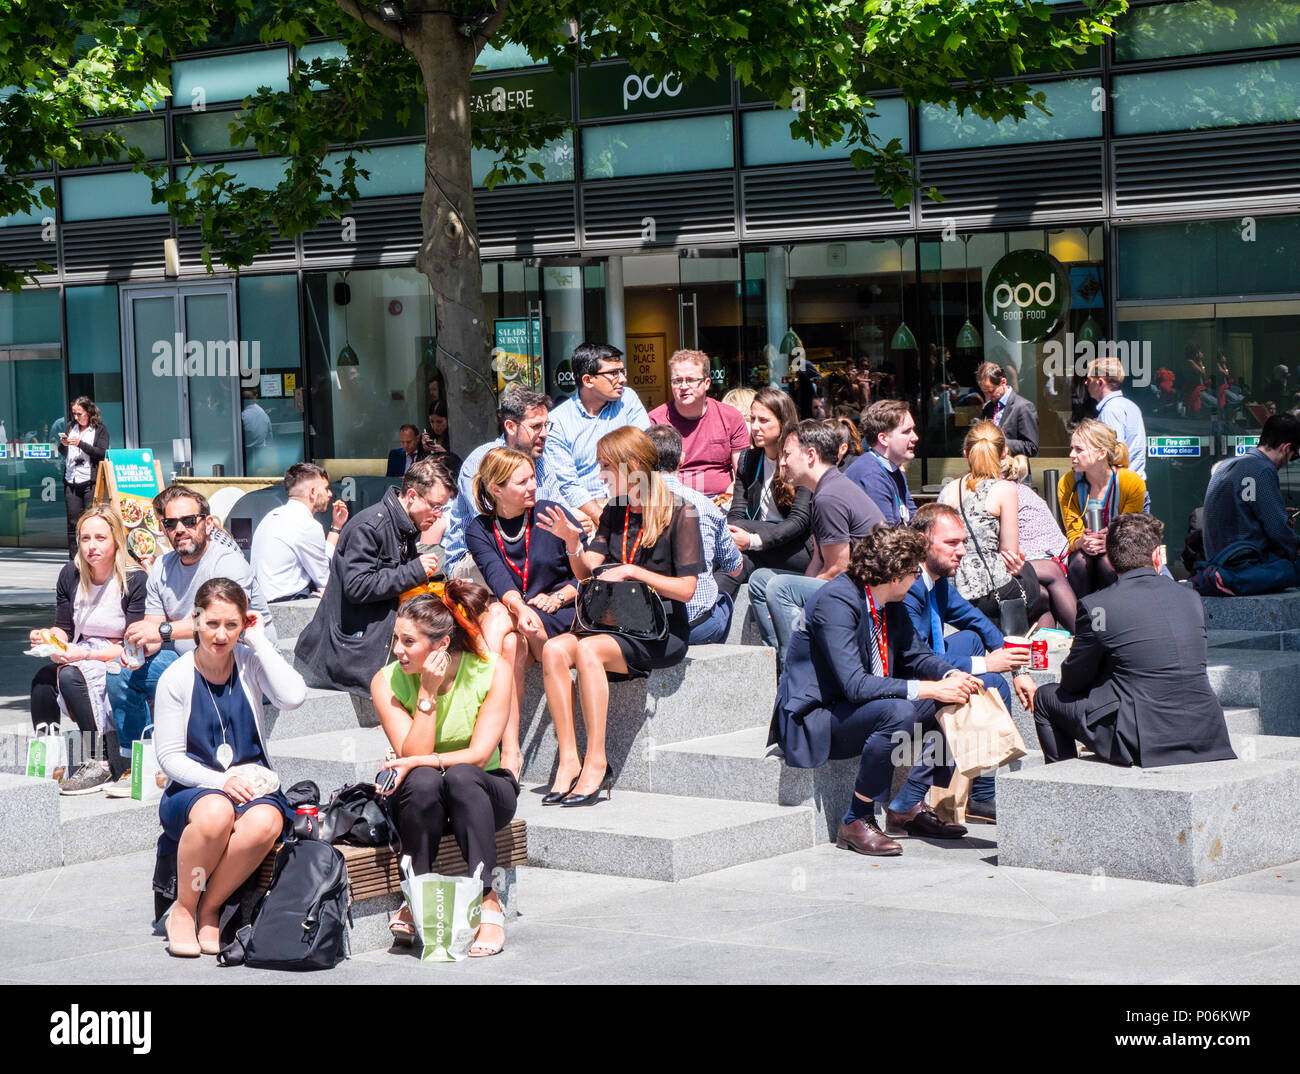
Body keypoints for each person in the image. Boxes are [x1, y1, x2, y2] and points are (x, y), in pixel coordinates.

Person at [770, 525, 985, 855]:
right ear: (896, 574)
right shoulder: (836, 602)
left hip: (861, 705)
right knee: (899, 710)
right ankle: (855, 819)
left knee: (960, 696)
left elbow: (918, 655)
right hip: (818, 715)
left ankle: (908, 804)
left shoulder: (890, 599)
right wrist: (931, 689)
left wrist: (953, 676)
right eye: (914, 571)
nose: (917, 579)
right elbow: (855, 685)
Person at [535, 427, 702, 806]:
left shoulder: (681, 513)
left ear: (634, 467)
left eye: (606, 465)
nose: (599, 474)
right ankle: (568, 759)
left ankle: (597, 762)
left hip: (660, 629)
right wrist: (573, 544)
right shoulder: (615, 510)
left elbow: (687, 590)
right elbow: (586, 573)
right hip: (614, 620)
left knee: (589, 651)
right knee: (553, 651)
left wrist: (634, 571)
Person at [153, 578, 306, 957]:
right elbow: (170, 759)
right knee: (216, 812)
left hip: (253, 784)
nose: (221, 635)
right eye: (212, 624)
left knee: (266, 823)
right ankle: (184, 910)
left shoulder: (249, 661)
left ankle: (211, 907)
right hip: (195, 785)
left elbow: (293, 696)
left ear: (244, 624)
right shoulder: (176, 677)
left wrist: (259, 641)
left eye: (232, 625)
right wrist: (221, 781)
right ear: (196, 622)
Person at [372, 591, 518, 957]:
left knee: (461, 776)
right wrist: (427, 692)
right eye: (396, 639)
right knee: (422, 780)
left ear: (442, 644)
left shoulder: (493, 669)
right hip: (422, 799)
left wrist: (424, 761)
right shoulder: (386, 681)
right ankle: (416, 892)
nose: (397, 651)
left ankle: (488, 899)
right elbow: (413, 757)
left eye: (408, 641)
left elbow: (481, 754)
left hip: (481, 791)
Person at [1034, 514, 1236, 768]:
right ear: (1157, 557)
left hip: (1145, 738)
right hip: (1207, 729)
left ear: (1111, 558)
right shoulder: (1190, 598)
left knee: (1045, 698)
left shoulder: (1098, 606)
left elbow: (1074, 680)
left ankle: (1062, 789)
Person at [901, 503, 1038, 821]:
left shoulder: (937, 580)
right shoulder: (907, 586)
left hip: (928, 665)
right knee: (989, 683)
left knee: (975, 640)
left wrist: (1019, 669)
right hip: (903, 684)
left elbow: (978, 621)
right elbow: (917, 660)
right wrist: (988, 666)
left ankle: (976, 792)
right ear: (922, 541)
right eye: (951, 543)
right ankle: (980, 795)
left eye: (963, 542)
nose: (962, 551)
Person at [116, 486, 276, 753]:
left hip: (242, 662)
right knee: (119, 672)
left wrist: (162, 631)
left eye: (189, 521)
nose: (180, 529)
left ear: (208, 523)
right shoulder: (161, 568)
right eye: (170, 523)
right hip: (190, 660)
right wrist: (140, 645)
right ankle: (134, 762)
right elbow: (153, 631)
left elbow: (220, 624)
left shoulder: (228, 564)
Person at [294, 458, 451, 696]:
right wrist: (414, 570)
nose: (439, 516)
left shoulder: (403, 526)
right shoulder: (369, 526)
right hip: (351, 647)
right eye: (435, 506)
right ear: (412, 496)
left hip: (374, 638)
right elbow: (357, 587)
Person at [465, 447, 579, 753]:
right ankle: (510, 749)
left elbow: (585, 576)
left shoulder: (550, 513)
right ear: (496, 489)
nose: (533, 486)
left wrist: (557, 597)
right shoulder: (479, 529)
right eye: (522, 482)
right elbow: (496, 576)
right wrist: (519, 607)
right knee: (511, 641)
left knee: (500, 617)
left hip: (560, 612)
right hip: (519, 616)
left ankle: (474, 700)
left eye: (533, 478)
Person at [29, 504, 148, 797]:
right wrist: (48, 637)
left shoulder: (135, 580)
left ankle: (101, 761)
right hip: (82, 649)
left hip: (121, 655)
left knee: (70, 675)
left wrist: (83, 655)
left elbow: (134, 645)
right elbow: (63, 628)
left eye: (100, 538)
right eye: (85, 538)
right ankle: (48, 761)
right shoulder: (70, 574)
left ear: (116, 540)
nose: (91, 546)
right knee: (43, 681)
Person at [749, 420, 885, 665]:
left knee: (780, 588)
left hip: (866, 594)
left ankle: (798, 667)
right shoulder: (824, 489)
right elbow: (818, 560)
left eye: (787, 455)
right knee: (761, 580)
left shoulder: (829, 497)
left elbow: (837, 571)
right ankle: (779, 662)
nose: (781, 462)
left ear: (810, 455)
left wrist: (799, 606)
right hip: (852, 586)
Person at [646, 424, 744, 645]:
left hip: (645, 624)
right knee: (722, 600)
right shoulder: (705, 505)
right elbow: (735, 567)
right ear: (682, 458)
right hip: (695, 626)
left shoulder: (629, 505)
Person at [443, 387, 554, 579]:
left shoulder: (543, 460)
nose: (544, 433)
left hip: (528, 547)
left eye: (546, 425)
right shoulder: (480, 461)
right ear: (511, 427)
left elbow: (558, 512)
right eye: (536, 426)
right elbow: (495, 525)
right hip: (473, 559)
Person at [938, 421, 1042, 624]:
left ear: (966, 453)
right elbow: (1009, 554)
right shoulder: (1004, 489)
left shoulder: (948, 489)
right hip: (985, 592)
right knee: (1040, 595)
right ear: (1005, 452)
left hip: (948, 587)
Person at [541, 342, 650, 529]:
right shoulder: (558, 422)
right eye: (614, 373)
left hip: (634, 500)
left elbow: (645, 452)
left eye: (622, 372)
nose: (622, 379)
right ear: (588, 380)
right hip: (587, 510)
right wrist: (605, 522)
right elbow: (567, 484)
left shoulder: (628, 400)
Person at [1200, 413, 1300, 589]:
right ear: (1286, 448)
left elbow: (1241, 510)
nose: (1288, 462)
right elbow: (1278, 530)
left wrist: (1278, 512)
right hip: (1243, 565)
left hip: (1217, 560)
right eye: (1294, 455)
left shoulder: (1225, 466)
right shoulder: (1262, 470)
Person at [727, 387, 813, 583]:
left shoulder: (802, 461)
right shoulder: (748, 459)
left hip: (796, 547)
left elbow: (798, 521)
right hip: (757, 545)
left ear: (783, 423)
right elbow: (736, 511)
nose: (755, 427)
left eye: (763, 420)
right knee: (732, 566)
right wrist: (735, 537)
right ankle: (709, 612)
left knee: (739, 548)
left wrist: (752, 541)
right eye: (752, 419)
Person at [1058, 419, 1146, 599]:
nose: (1071, 454)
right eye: (1072, 448)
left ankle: (1116, 620)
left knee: (1108, 563)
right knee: (1079, 563)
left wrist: (1110, 541)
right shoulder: (1067, 483)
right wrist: (1083, 541)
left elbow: (1132, 534)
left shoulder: (1130, 482)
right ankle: (1082, 620)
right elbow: (1073, 535)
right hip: (1084, 554)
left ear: (1101, 453)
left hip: (1123, 551)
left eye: (1079, 449)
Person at [648, 349, 750, 502]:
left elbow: (742, 474)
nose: (683, 386)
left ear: (707, 383)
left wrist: (728, 498)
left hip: (721, 500)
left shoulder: (730, 417)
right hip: (674, 502)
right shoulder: (655, 421)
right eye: (677, 380)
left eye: (690, 380)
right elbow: (649, 475)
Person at [250, 462, 349, 602]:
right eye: (326, 488)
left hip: (265, 604)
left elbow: (321, 559)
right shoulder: (306, 525)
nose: (330, 494)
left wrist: (336, 526)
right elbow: (325, 580)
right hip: (288, 604)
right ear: (313, 492)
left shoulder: (271, 517)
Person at [1002, 453, 1075, 629]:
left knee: (1044, 584)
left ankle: (1082, 637)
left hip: (1043, 557)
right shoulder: (1020, 489)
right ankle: (1048, 649)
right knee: (1041, 595)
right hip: (1054, 556)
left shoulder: (1004, 493)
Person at [846, 399, 918, 525]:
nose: (915, 437)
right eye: (907, 431)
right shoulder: (870, 475)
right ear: (884, 439)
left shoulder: (894, 468)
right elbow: (885, 535)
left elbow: (914, 520)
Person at [58, 397, 109, 558]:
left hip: (89, 481)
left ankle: (91, 557)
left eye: (79, 414)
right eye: (74, 413)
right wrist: (64, 445)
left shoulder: (99, 430)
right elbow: (63, 451)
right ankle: (74, 560)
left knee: (90, 521)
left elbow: (101, 452)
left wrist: (80, 443)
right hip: (71, 479)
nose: (76, 417)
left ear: (89, 412)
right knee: (73, 524)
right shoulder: (70, 427)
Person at [1086, 355, 1148, 482]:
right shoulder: (1130, 406)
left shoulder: (1110, 410)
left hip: (1120, 488)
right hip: (1134, 484)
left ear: (1100, 382)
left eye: (1089, 379)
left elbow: (1115, 455)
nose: (1086, 383)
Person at [977, 361, 1038, 461]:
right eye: (985, 392)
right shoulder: (987, 407)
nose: (988, 396)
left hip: (1015, 471)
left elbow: (1031, 447)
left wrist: (998, 442)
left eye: (991, 391)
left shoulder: (1024, 407)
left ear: (1003, 382)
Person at [422, 400, 464, 480]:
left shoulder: (455, 437)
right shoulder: (429, 436)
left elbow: (460, 465)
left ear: (448, 420)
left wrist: (445, 454)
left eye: (439, 422)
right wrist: (425, 449)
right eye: (432, 422)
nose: (435, 426)